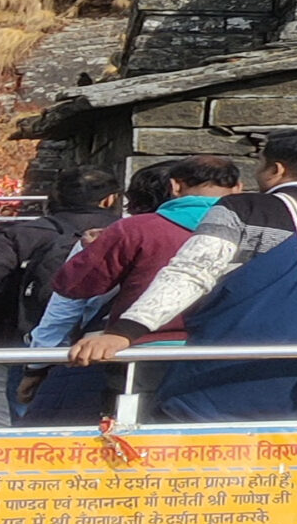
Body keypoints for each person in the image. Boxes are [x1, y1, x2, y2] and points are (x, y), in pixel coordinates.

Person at [66, 129, 297, 435]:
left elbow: (191, 272)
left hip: (228, 371)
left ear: (276, 169)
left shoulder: (243, 210)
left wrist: (126, 331)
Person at [21, 157, 242, 425]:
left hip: (142, 351)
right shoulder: (260, 229)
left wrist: (87, 250)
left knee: (132, 441)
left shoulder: (137, 229)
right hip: (233, 353)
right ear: (238, 188)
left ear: (175, 186)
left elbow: (74, 286)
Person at [0, 168, 122, 426]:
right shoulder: (130, 233)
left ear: (56, 195)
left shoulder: (24, 234)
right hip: (104, 347)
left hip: (25, 346)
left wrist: (5, 312)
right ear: (111, 199)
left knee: (23, 438)